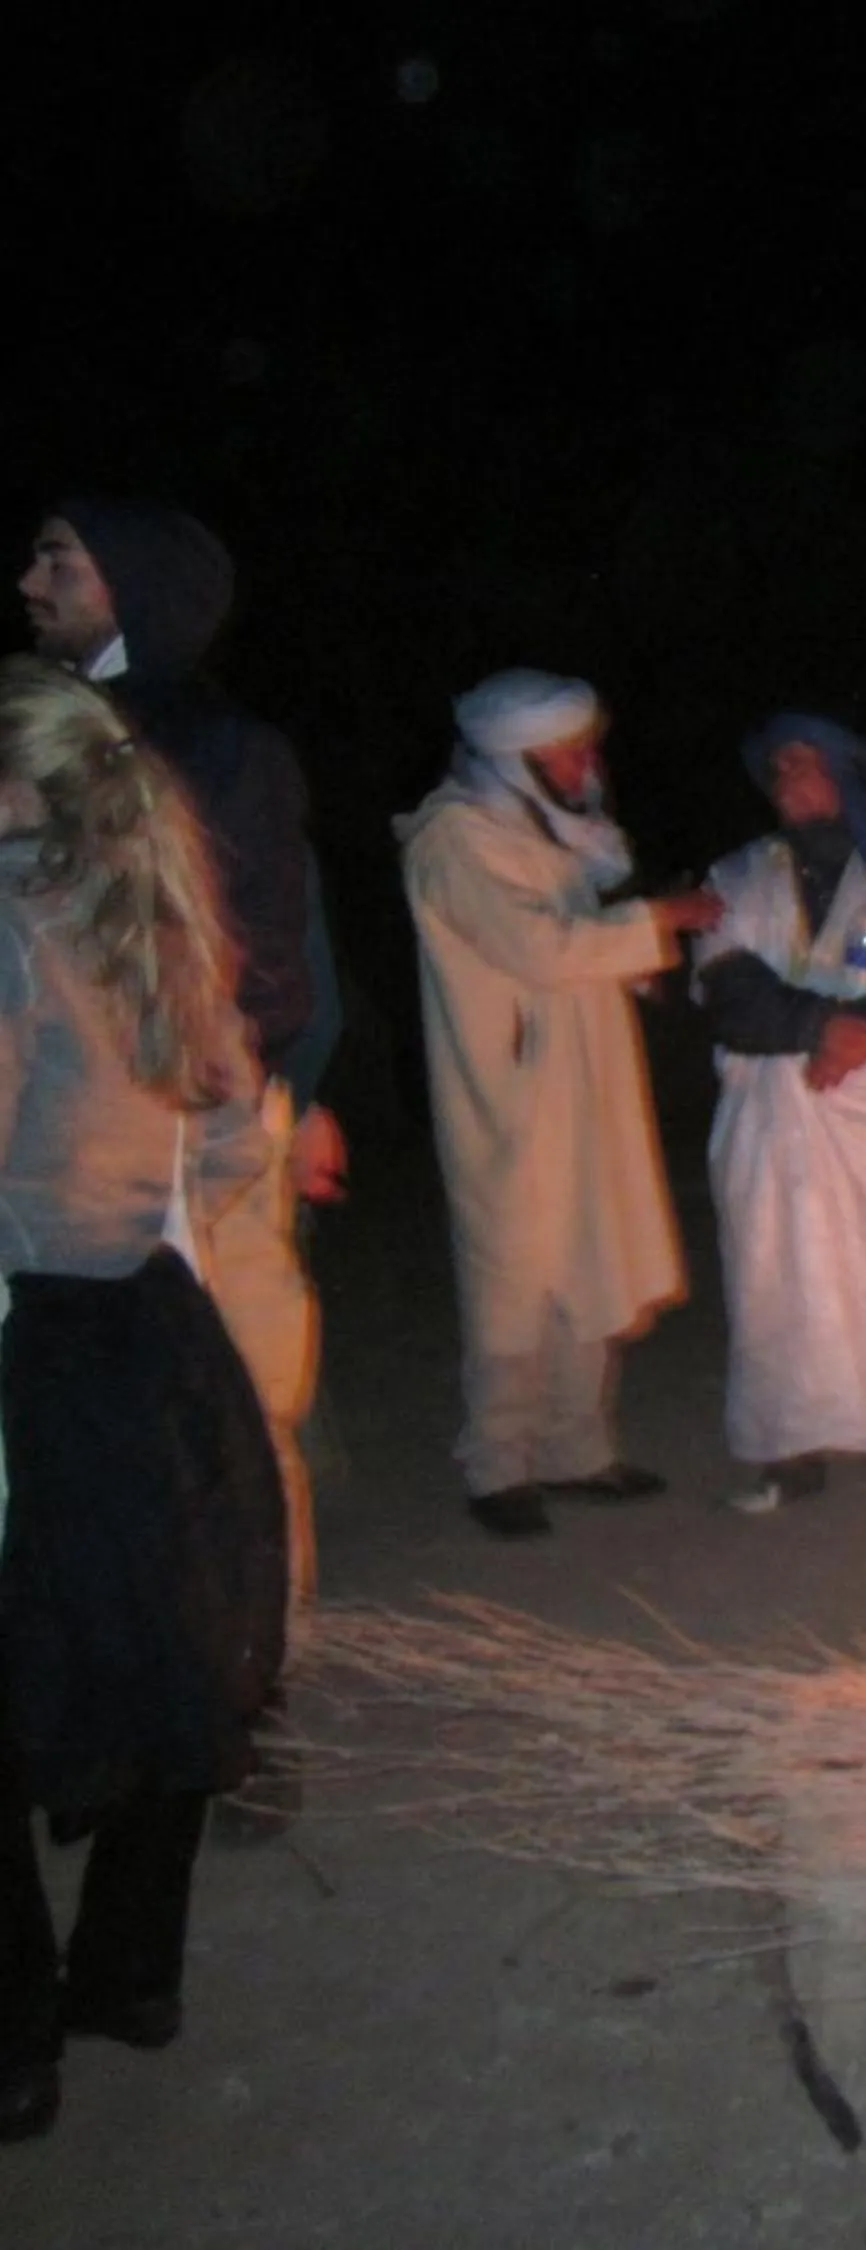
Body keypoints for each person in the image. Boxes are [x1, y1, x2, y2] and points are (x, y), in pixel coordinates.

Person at [0, 660, 287, 2143]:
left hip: (32, 1333)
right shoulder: (148, 912)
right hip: (145, 1329)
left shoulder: (7, 914)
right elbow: (239, 1126)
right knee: (156, 1642)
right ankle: (131, 1976)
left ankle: (14, 2039)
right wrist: (138, 1207)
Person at [18, 505, 344, 1615]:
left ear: (132, 585)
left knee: (234, 1400)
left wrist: (256, 1102)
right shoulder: (69, 729)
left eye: (60, 559)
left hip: (175, 1132)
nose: (30, 580)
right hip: (73, 1144)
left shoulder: (208, 745)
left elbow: (257, 947)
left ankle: (255, 1671)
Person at [397, 671, 722, 1539]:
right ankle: (498, 1464)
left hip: (586, 1083)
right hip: (512, 1096)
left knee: (592, 1250)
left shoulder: (551, 832)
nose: (588, 765)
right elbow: (536, 949)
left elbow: (581, 944)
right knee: (515, 1268)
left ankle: (578, 1451)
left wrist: (640, 966)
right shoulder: (456, 841)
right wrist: (661, 919)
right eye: (569, 752)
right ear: (517, 759)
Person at [697, 715, 866, 1516]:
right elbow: (729, 988)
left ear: (845, 779)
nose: (787, 777)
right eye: (777, 766)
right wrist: (824, 1026)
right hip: (776, 1123)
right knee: (782, 1284)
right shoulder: (737, 874)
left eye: (804, 763)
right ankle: (792, 1451)